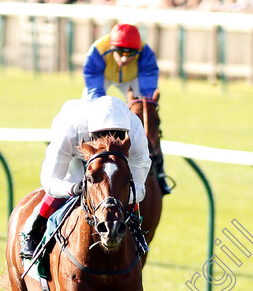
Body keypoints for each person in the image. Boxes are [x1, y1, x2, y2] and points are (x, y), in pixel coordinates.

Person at [20, 95, 152, 260]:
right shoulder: (70, 130)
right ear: (90, 132)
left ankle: (136, 230)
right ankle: (34, 229)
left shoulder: (136, 132)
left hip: (116, 157)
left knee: (121, 183)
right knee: (71, 178)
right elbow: (50, 180)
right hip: (78, 153)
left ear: (126, 132)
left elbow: (139, 187)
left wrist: (118, 195)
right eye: (102, 134)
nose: (108, 140)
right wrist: (74, 188)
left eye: (117, 135)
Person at [82, 23, 171, 195]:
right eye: (119, 53)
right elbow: (94, 88)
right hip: (103, 79)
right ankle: (84, 165)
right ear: (111, 47)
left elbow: (148, 88)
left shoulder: (146, 53)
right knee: (90, 112)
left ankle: (160, 173)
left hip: (133, 80)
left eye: (129, 54)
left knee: (148, 115)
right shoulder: (97, 51)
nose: (123, 59)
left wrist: (143, 102)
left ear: (137, 52)